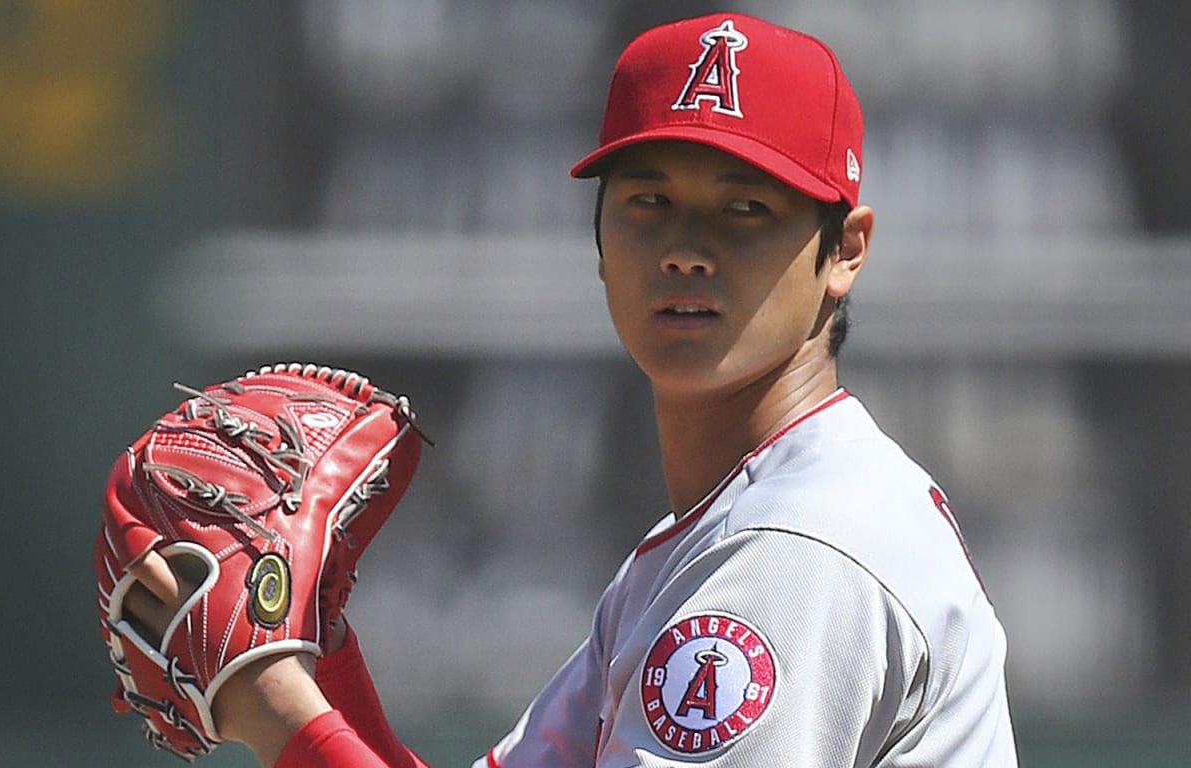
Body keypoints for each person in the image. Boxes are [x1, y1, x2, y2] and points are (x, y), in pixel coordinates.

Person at [116, 11, 1018, 767]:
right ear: (597, 236)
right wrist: (317, 662)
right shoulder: (719, 535)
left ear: (845, 250)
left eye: (746, 208)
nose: (685, 247)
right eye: (647, 202)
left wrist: (268, 701)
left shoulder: (797, 552)